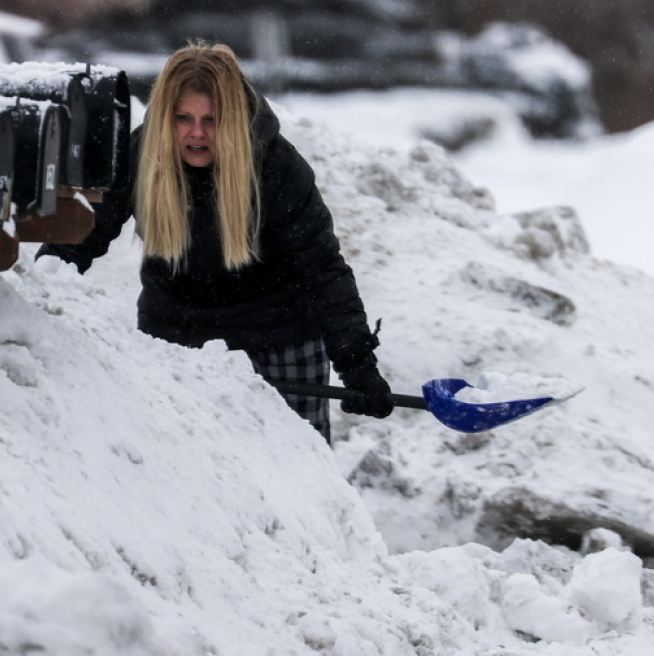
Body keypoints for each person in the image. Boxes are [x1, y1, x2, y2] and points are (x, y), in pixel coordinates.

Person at [36, 41, 393, 442]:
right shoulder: (140, 155)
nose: (197, 133)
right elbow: (83, 230)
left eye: (212, 119)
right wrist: (41, 285)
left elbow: (323, 268)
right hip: (174, 341)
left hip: (280, 342)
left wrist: (358, 365)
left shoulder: (276, 167)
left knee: (297, 485)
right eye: (183, 118)